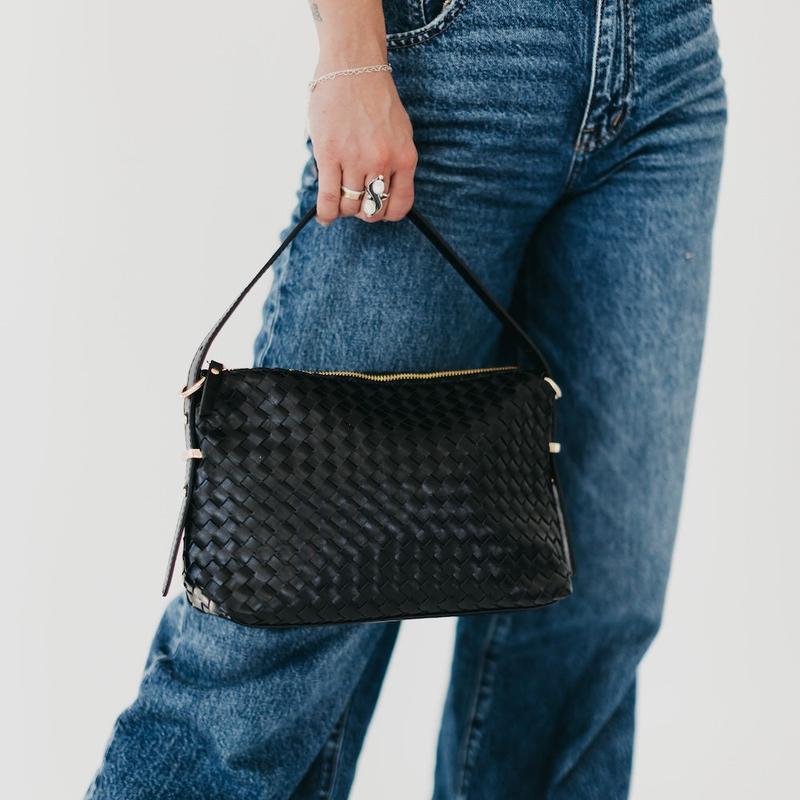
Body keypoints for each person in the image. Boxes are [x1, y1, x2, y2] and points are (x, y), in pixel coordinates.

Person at [86, 1, 726, 797]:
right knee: (278, 624)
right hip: (455, 49)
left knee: (592, 618)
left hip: (668, 59)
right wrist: (351, 50)